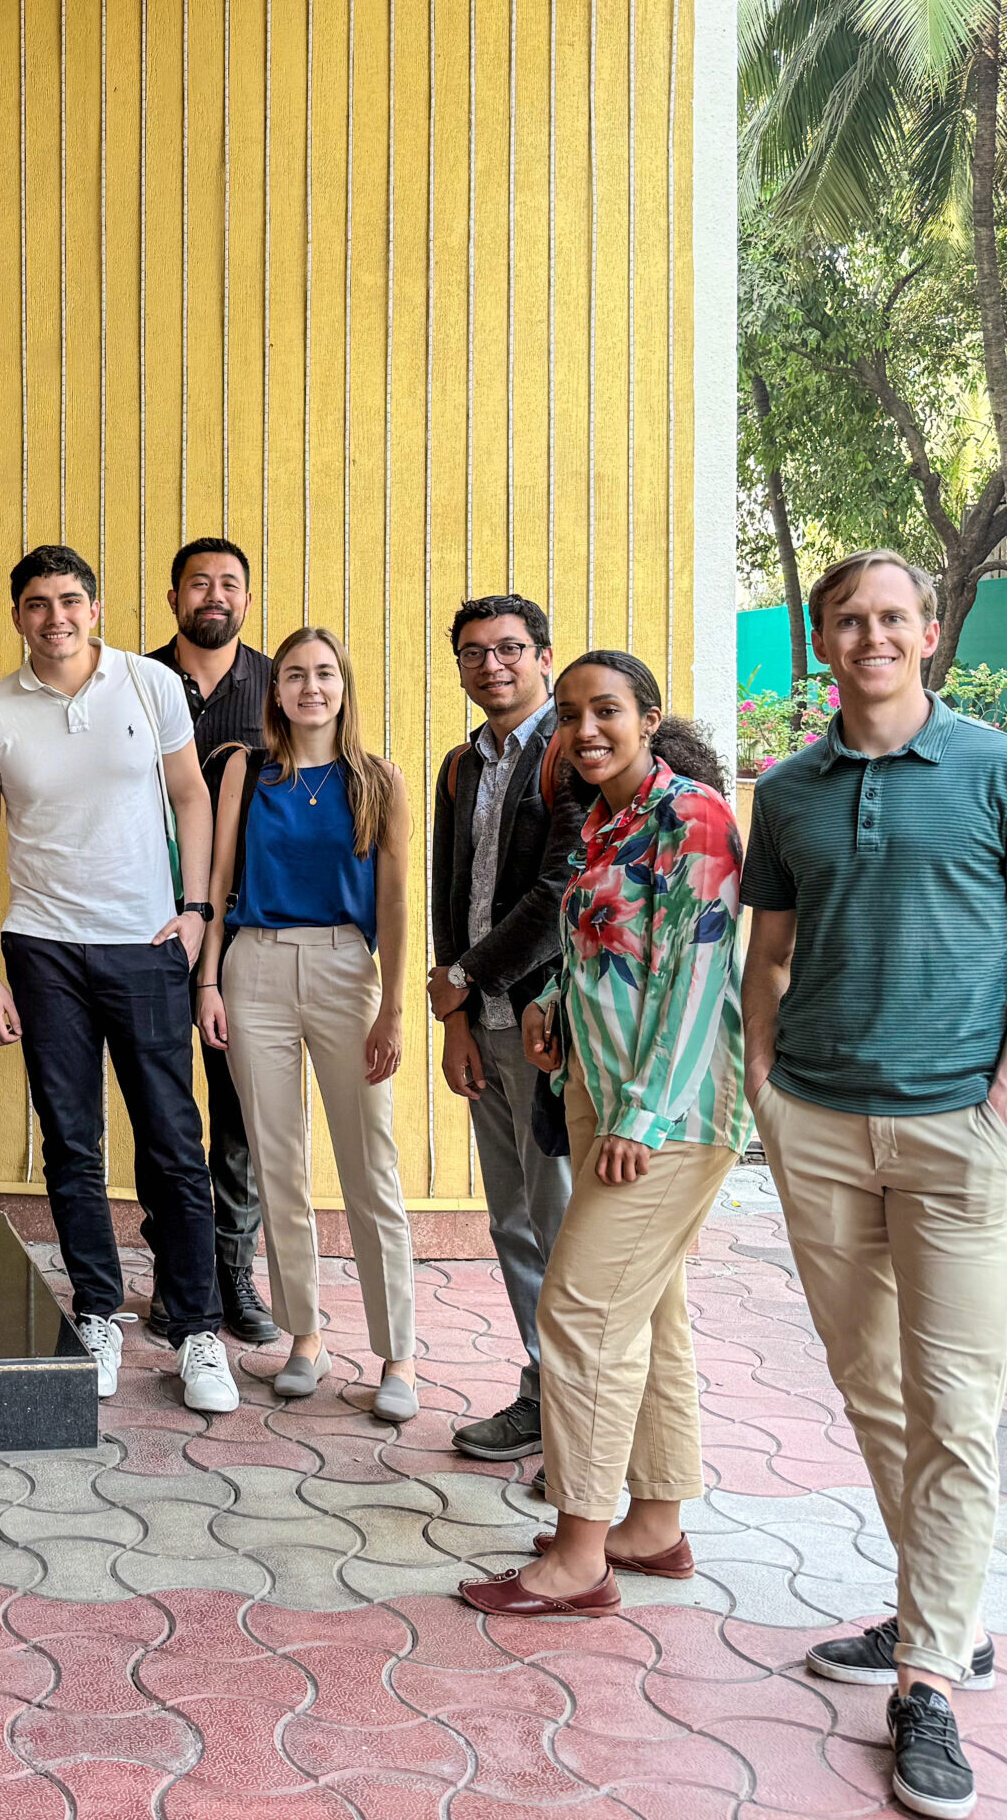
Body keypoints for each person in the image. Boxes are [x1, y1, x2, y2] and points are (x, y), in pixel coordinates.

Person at [742, 550, 1007, 1820]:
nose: (871, 637)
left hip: (956, 1135)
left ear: (928, 635)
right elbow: (767, 956)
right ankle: (938, 1609)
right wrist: (768, 1090)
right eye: (849, 620)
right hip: (821, 1127)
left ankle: (930, 1676)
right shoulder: (786, 794)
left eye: (892, 618)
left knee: (954, 1402)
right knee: (874, 1388)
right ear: (821, 643)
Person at [458, 651, 744, 1622]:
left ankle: (579, 1556)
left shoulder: (692, 815)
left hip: (664, 1111)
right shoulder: (601, 821)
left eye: (606, 710)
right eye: (573, 713)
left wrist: (642, 1113)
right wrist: (543, 1002)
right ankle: (652, 1524)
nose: (584, 728)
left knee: (578, 1311)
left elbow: (693, 975)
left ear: (647, 716)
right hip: (596, 1088)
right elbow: (600, 950)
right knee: (647, 1309)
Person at [0, 545, 233, 1415]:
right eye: (37, 603)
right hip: (44, 950)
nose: (56, 617)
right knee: (72, 1145)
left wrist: (195, 910)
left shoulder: (148, 687)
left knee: (172, 1145)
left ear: (98, 609)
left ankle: (195, 1331)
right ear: (16, 616)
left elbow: (192, 795)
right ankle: (99, 1312)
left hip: (146, 942)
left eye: (71, 600)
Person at [195, 628, 417, 1418]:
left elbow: (394, 904)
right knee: (277, 1164)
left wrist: (392, 1006)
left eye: (325, 673)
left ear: (343, 686)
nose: (310, 687)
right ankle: (303, 1338)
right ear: (276, 690)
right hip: (254, 965)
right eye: (295, 675)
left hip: (344, 970)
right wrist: (210, 980)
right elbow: (219, 882)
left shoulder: (379, 780)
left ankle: (397, 1357)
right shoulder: (244, 773)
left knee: (370, 1167)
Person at [423, 593, 581, 1464]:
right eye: (475, 653)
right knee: (512, 1219)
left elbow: (558, 895)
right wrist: (455, 1015)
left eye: (510, 649)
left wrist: (466, 978)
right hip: (480, 1023)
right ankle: (541, 1385)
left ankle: (575, 1407)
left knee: (558, 1219)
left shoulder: (570, 752)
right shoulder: (462, 764)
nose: (493, 665)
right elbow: (456, 896)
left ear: (544, 656)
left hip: (545, 1023)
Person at [145, 538, 280, 1346]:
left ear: (247, 601)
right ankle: (177, 1278)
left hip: (246, 922)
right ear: (174, 598)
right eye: (200, 583)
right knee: (165, 1110)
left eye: (231, 583)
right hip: (147, 921)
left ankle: (235, 1274)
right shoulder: (133, 679)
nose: (215, 595)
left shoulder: (276, 687)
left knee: (240, 1110)